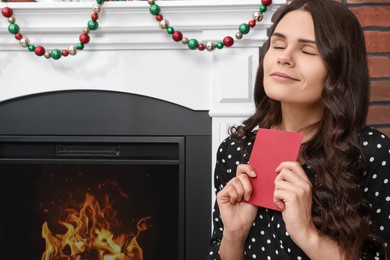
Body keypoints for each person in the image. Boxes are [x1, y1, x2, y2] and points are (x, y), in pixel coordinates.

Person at [208, 0, 390, 259]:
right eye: (278, 45)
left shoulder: (372, 152)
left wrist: (306, 233)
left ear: (338, 69)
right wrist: (234, 235)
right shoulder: (234, 151)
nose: (284, 57)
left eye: (307, 51)